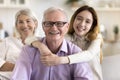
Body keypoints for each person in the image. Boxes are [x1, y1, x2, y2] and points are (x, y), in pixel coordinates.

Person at [11, 7, 93, 80]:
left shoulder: (76, 52)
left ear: (67, 27)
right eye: (49, 23)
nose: (54, 28)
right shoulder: (28, 51)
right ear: (43, 26)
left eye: (59, 23)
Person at [0, 9, 38, 80]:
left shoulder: (42, 43)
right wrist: (20, 67)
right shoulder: (7, 41)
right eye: (20, 22)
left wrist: (8, 66)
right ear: (16, 26)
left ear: (35, 23)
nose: (25, 25)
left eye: (28, 21)